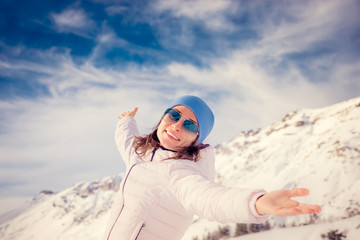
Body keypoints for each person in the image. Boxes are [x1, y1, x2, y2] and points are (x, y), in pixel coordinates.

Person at [103, 95, 321, 240]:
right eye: (174, 115)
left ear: (196, 140)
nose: (177, 125)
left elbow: (211, 198)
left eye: (189, 125)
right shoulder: (139, 154)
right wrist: (126, 120)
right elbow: (126, 139)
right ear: (163, 118)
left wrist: (257, 203)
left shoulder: (181, 173)